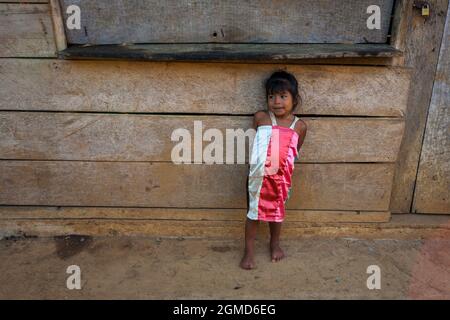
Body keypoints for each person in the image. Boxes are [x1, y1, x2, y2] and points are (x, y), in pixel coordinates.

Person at [240, 70, 307, 270]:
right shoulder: (261, 118)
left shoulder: (300, 126)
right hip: (257, 179)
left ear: (294, 100)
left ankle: (274, 243)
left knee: (277, 214)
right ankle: (249, 251)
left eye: (283, 96)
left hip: (281, 181)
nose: (276, 101)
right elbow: (256, 144)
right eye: (271, 96)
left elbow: (295, 151)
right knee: (253, 214)